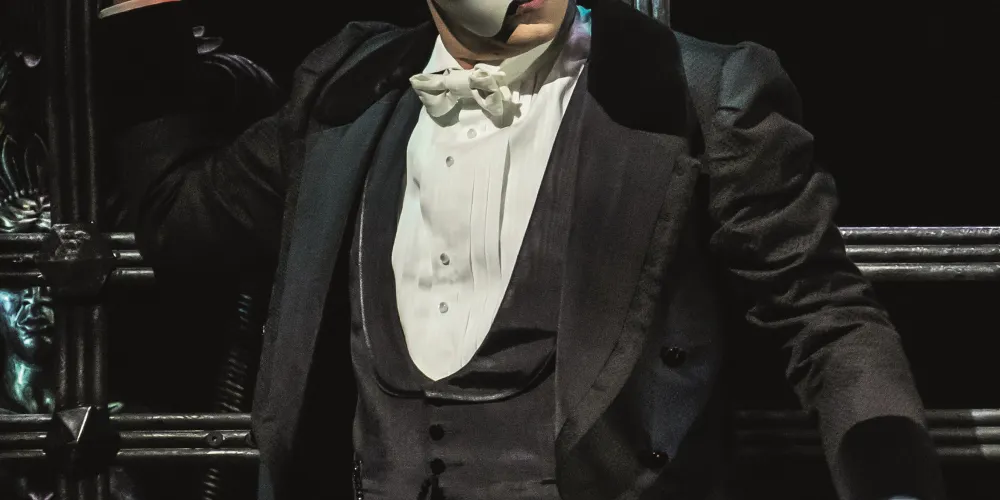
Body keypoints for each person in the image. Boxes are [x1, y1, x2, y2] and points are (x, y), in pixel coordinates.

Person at [96, 0, 947, 499]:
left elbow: (824, 317)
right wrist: (143, 23)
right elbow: (183, 223)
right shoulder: (346, 92)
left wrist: (892, 479)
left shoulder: (696, 92)